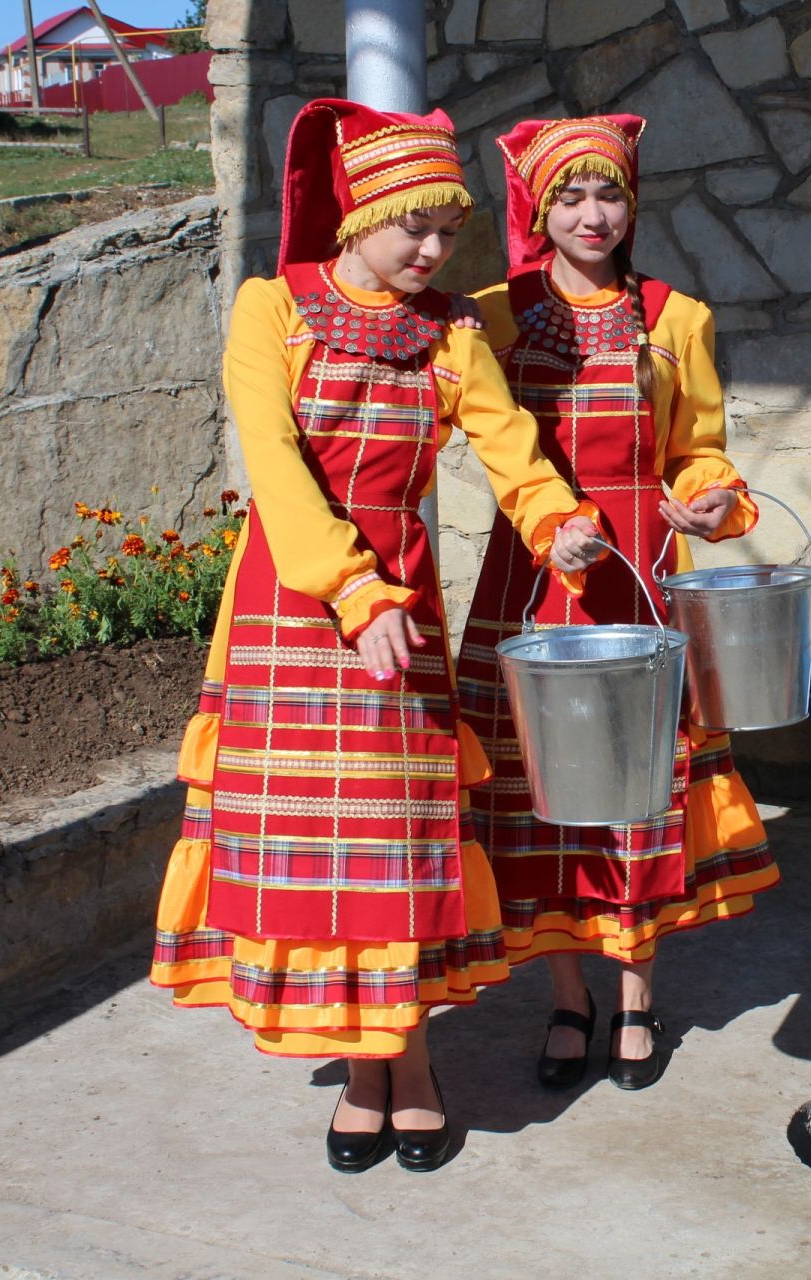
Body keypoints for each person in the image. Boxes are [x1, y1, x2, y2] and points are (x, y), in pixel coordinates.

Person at [149, 99, 603, 1174]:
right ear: (360, 211)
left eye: (451, 233)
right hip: (294, 613)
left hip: (404, 618)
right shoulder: (273, 310)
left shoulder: (448, 330)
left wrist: (560, 525)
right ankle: (367, 1073)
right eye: (417, 228)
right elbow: (274, 461)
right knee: (321, 862)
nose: (437, 251)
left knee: (398, 851)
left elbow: (513, 449)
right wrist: (351, 591)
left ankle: (409, 1062)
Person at [455, 114, 780, 1092]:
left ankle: (637, 995)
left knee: (639, 800)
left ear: (631, 205)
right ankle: (567, 994)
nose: (592, 215)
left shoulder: (676, 318)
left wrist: (715, 495)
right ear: (539, 208)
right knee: (542, 807)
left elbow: (701, 450)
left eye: (608, 195)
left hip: (638, 581)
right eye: (570, 196)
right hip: (532, 587)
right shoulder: (488, 318)